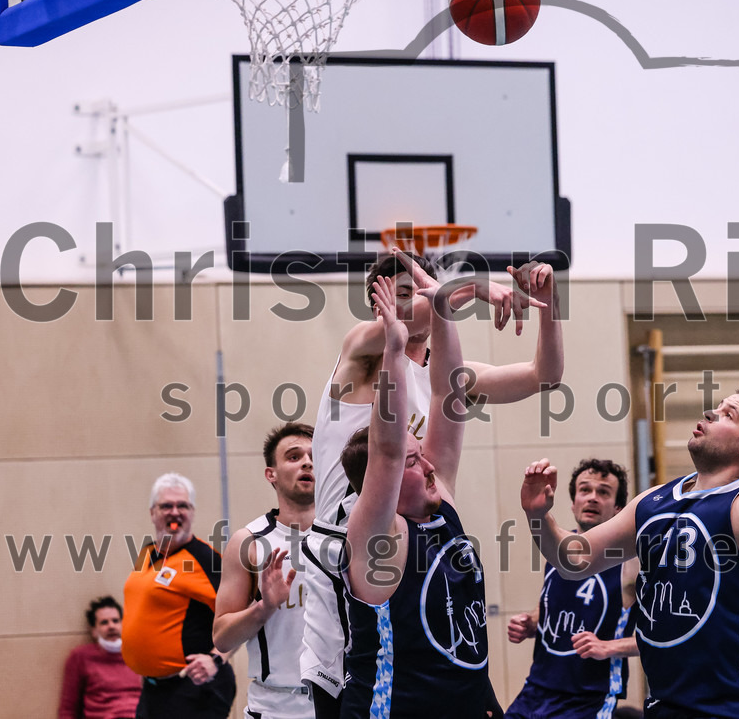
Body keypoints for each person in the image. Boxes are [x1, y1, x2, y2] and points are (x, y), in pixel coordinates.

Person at [300, 250, 563, 717]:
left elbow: (545, 376)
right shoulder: (363, 348)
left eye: (418, 290)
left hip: (415, 532)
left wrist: (546, 306)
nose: (414, 302)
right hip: (350, 543)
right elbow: (429, 313)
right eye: (401, 294)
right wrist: (477, 288)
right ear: (377, 304)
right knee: (352, 685)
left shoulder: (450, 378)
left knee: (447, 660)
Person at [520, 376, 739, 719]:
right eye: (716, 407)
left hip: (731, 708)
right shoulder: (654, 500)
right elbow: (576, 560)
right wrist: (538, 516)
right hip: (662, 704)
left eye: (727, 414)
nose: (710, 412)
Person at [338, 273, 489, 717]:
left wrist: (442, 310)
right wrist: (394, 349)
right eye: (412, 461)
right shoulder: (379, 537)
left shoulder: (440, 505)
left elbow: (447, 395)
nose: (429, 467)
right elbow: (386, 448)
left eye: (421, 455)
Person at [506, 458, 640, 719]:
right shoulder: (557, 550)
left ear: (618, 508)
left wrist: (609, 647)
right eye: (585, 490)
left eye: (603, 492)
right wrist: (531, 622)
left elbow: (664, 637)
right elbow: (553, 604)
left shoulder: (630, 562)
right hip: (536, 690)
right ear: (573, 501)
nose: (592, 498)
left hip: (589, 699)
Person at [213, 422, 316, 719]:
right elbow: (222, 638)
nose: (307, 462)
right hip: (275, 707)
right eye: (294, 456)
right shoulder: (250, 542)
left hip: (341, 702)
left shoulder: (346, 533)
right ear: (271, 474)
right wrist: (264, 607)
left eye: (313, 455)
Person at [122, 473, 235, 719]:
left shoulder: (206, 559)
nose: (175, 512)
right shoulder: (147, 553)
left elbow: (243, 614)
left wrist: (216, 659)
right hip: (153, 691)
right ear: (153, 513)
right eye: (166, 506)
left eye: (182, 505)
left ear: (192, 512)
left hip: (194, 691)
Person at [58, 596, 142, 719]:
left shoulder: (138, 654)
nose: (111, 626)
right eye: (104, 622)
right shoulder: (81, 657)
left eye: (115, 620)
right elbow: (68, 708)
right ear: (94, 631)